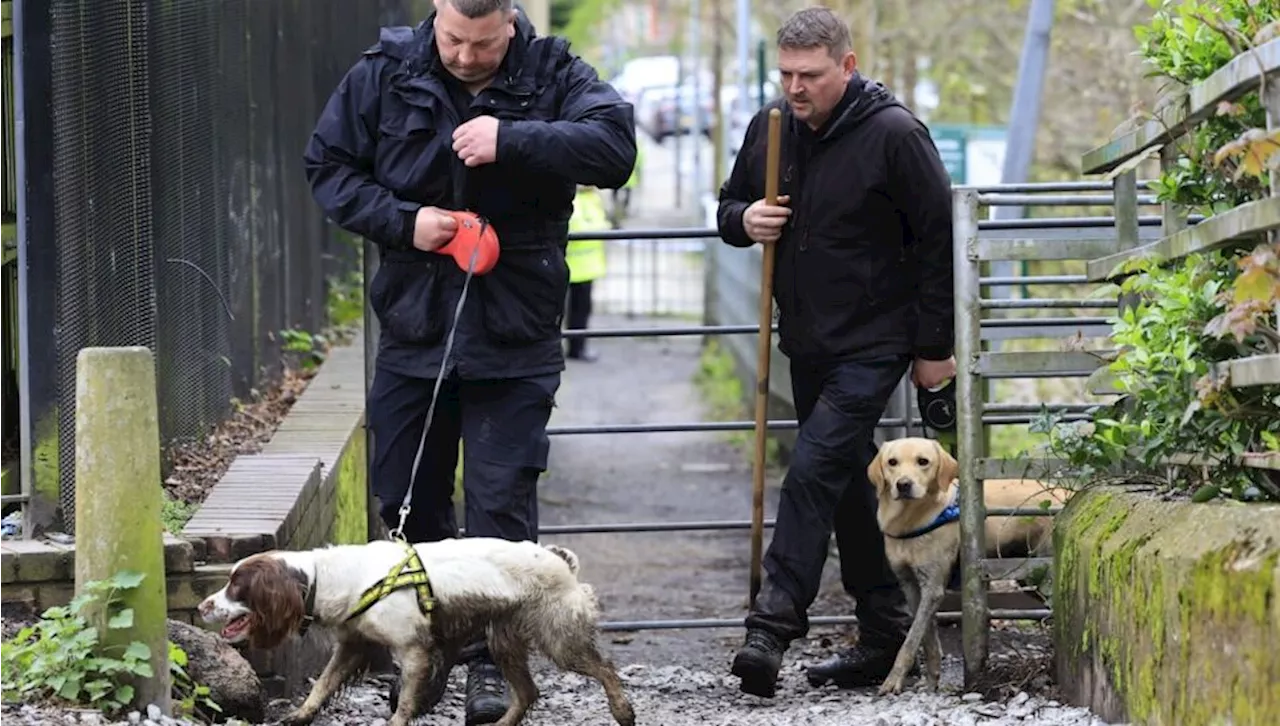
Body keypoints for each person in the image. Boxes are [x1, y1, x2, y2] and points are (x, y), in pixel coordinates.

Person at [302, 0, 637, 722]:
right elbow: (326, 166)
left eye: (482, 44)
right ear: (435, 14)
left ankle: (491, 667)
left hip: (516, 333)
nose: (463, 56)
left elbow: (615, 149)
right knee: (407, 500)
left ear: (510, 24)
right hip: (414, 332)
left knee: (499, 511)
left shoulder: (555, 72)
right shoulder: (385, 72)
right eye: (452, 39)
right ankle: (418, 660)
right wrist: (404, 221)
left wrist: (512, 139)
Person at [714, 6, 956, 698]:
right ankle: (883, 630)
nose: (795, 88)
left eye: (810, 76)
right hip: (807, 341)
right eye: (786, 74)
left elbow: (937, 243)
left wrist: (933, 348)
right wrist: (744, 220)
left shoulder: (895, 134)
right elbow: (730, 207)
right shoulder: (771, 129)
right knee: (854, 481)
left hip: (876, 340)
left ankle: (770, 626)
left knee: (815, 466)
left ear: (846, 67)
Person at [565, 185, 611, 361]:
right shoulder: (573, 198)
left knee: (581, 310)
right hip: (573, 264)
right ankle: (574, 348)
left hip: (586, 266)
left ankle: (577, 348)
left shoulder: (591, 198)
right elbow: (577, 227)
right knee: (567, 311)